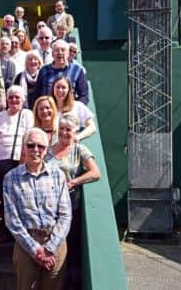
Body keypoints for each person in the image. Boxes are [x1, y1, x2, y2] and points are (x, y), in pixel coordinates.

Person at [3, 128, 72, 290]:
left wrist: (49, 248)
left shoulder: (58, 175)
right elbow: (12, 220)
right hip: (26, 243)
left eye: (40, 146)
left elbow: (65, 215)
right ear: (23, 148)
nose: (35, 150)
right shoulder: (11, 178)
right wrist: (36, 250)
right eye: (31, 145)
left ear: (46, 150)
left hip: (56, 242)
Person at [45, 115, 100, 289]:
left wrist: (74, 182)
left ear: (75, 131)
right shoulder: (48, 150)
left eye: (68, 129)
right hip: (47, 209)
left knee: (70, 249)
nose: (64, 132)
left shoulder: (79, 150)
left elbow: (95, 173)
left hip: (69, 209)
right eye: (61, 128)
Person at [0, 85, 34, 241]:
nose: (14, 100)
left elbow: (28, 137)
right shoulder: (1, 115)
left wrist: (24, 159)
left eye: (17, 97)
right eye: (11, 97)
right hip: (2, 161)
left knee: (18, 197)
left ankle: (20, 232)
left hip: (18, 161)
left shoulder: (27, 114)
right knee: (5, 198)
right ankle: (5, 231)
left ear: (23, 99)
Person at [35, 39, 88, 104]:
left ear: (68, 53)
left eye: (63, 50)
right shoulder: (44, 70)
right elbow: (37, 94)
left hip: (69, 111)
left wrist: (75, 109)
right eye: (56, 50)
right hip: (49, 111)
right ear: (52, 54)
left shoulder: (77, 71)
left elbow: (83, 96)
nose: (60, 53)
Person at [51, 76, 96, 141]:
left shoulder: (78, 106)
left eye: (63, 87)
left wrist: (77, 137)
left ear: (69, 90)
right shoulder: (48, 107)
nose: (60, 90)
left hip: (70, 147)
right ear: (53, 89)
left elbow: (92, 127)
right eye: (57, 87)